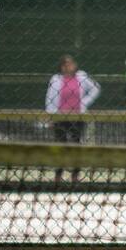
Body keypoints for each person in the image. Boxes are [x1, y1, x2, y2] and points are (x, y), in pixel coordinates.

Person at [45, 54, 101, 184]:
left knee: (76, 145)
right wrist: (51, 116)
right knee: (61, 146)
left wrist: (84, 103)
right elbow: (49, 99)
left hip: (77, 117)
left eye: (70, 63)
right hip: (60, 117)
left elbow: (95, 89)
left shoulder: (81, 76)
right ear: (61, 67)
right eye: (65, 64)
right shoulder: (56, 79)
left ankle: (75, 175)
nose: (68, 66)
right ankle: (58, 175)